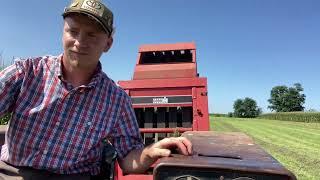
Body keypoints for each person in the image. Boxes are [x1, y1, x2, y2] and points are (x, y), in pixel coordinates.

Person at [0, 0, 192, 179]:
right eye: (73, 31)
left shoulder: (116, 100)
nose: (80, 41)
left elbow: (128, 160)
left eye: (91, 34)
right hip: (13, 172)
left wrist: (149, 152)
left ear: (108, 44)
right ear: (63, 32)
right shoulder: (26, 73)